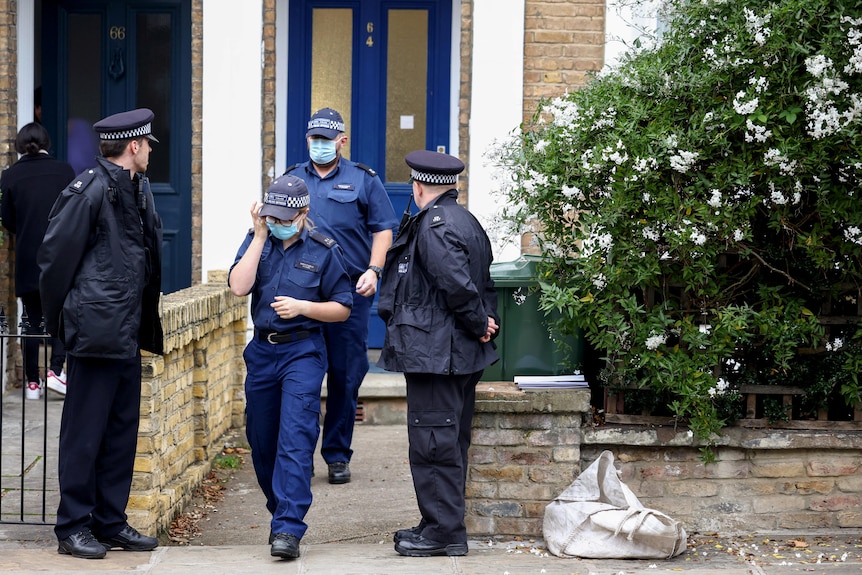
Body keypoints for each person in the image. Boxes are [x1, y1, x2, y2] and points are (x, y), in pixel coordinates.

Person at [38, 108, 164, 560]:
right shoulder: (88, 190)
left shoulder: (136, 187)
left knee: (120, 433)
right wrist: (62, 326)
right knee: (84, 434)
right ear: (134, 146)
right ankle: (73, 526)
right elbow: (55, 263)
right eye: (147, 144)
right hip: (95, 332)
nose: (150, 151)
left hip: (126, 331)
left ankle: (110, 522)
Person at [377, 150, 500, 557]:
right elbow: (485, 281)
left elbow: (457, 286)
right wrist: (484, 322)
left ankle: (444, 532)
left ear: (418, 186)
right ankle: (438, 521)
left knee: (433, 441)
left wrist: (478, 322)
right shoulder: (466, 220)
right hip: (454, 352)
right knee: (450, 438)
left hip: (437, 352)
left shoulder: (433, 226)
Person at [229, 175, 353, 559]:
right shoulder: (257, 242)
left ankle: (288, 527)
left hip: (303, 352)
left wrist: (304, 308)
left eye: (286, 216)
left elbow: (342, 307)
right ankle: (279, 509)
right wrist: (261, 236)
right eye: (273, 216)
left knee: (295, 440)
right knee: (262, 441)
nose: (280, 221)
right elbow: (237, 286)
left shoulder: (324, 248)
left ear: (303, 213)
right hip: (263, 354)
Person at [285, 107, 398, 484]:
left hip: (350, 291)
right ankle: (297, 454)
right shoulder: (290, 180)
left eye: (326, 140)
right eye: (313, 139)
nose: (318, 145)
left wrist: (374, 270)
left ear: (341, 141)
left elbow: (383, 229)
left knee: (345, 375)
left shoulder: (363, 180)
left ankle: (336, 453)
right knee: (299, 374)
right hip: (301, 292)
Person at [1, 123, 75, 398]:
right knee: (61, 316)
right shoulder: (64, 171)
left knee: (31, 319)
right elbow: (74, 211)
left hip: (28, 256)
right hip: (59, 256)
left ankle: (32, 383)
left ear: (20, 145)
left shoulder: (10, 176)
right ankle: (56, 371)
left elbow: (7, 220)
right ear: (47, 142)